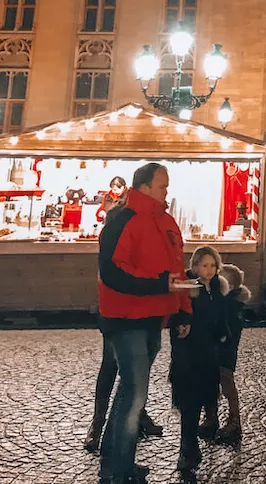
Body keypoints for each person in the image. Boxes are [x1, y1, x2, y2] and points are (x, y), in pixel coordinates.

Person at [98, 162, 192, 484]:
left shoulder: (164, 222)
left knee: (130, 392)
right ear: (145, 187)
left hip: (152, 318)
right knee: (135, 393)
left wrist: (182, 309)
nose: (167, 191)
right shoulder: (123, 219)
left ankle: (114, 463)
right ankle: (118, 471)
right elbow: (112, 272)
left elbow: (175, 270)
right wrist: (158, 285)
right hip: (126, 318)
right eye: (162, 185)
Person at [84, 189, 163, 453]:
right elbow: (112, 277)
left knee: (140, 368)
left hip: (144, 311)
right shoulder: (116, 232)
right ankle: (98, 423)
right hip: (117, 313)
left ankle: (138, 414)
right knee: (111, 365)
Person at [170, 246, 229, 474]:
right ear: (195, 266)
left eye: (213, 265)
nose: (209, 270)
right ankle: (188, 448)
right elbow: (180, 319)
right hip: (189, 354)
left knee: (205, 397)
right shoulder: (188, 289)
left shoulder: (216, 289)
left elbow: (220, 317)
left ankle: (193, 446)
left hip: (208, 354)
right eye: (205, 265)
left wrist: (223, 336)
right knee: (190, 403)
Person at [216, 263, 252, 444]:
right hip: (219, 351)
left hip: (225, 352)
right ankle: (213, 417)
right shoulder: (228, 303)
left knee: (227, 383)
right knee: (215, 383)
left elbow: (228, 331)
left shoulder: (229, 306)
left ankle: (234, 419)